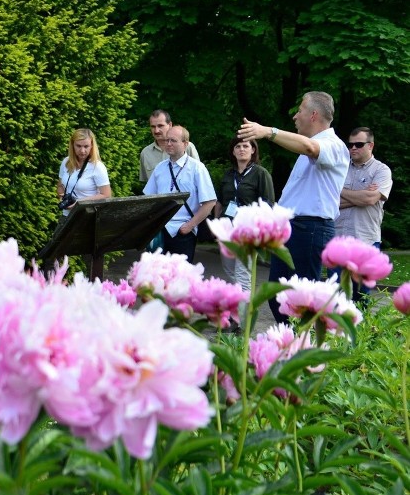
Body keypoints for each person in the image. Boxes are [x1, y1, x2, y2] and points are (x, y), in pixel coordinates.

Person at [238, 91, 350, 323]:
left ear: (314, 115)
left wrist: (268, 132)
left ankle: (303, 351)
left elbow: (310, 147)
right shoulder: (306, 150)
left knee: (302, 302)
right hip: (294, 229)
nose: (295, 117)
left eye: (299, 111)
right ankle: (288, 349)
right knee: (280, 297)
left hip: (310, 229)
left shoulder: (334, 146)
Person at [214, 136, 275, 324]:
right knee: (231, 271)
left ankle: (241, 321)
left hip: (247, 231)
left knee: (242, 273)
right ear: (233, 151)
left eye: (246, 146)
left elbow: (268, 204)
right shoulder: (228, 175)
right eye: (238, 146)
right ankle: (238, 310)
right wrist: (217, 227)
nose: (242, 149)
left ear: (253, 150)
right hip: (227, 229)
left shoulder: (260, 173)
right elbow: (220, 202)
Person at [333, 127, 392, 299]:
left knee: (361, 297)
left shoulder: (382, 171)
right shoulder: (340, 168)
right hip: (338, 241)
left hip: (365, 241)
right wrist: (362, 195)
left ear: (370, 146)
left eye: (358, 144)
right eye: (350, 145)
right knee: (334, 296)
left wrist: (340, 191)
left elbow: (370, 200)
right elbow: (330, 202)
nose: (353, 148)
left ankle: (359, 327)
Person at [143, 125, 216, 263]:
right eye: (167, 140)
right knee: (158, 277)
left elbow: (210, 202)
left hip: (183, 232)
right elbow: (149, 199)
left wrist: (189, 226)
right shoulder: (160, 168)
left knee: (180, 279)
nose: (169, 144)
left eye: (173, 141)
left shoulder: (197, 168)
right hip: (161, 231)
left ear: (185, 144)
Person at [57, 128, 112, 218]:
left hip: (87, 217)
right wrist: (61, 196)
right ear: (72, 145)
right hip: (66, 216)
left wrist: (79, 203)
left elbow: (106, 194)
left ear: (92, 146)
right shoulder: (66, 162)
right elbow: (60, 186)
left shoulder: (97, 166)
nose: (82, 151)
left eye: (86, 146)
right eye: (78, 146)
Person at [139, 109, 200, 183]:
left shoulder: (187, 147)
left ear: (170, 125)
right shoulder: (145, 153)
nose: (156, 131)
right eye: (153, 127)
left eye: (160, 126)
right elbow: (146, 184)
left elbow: (199, 176)